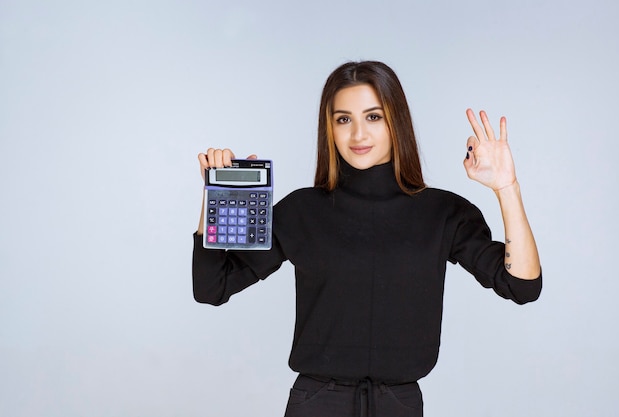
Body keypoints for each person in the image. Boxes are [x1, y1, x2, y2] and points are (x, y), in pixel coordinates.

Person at [192, 61, 542, 417]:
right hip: (315, 404)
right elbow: (212, 288)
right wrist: (216, 196)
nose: (358, 134)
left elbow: (522, 286)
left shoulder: (444, 213)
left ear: (396, 122)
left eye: (373, 117)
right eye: (343, 119)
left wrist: (506, 188)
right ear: (328, 128)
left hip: (399, 405)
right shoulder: (302, 210)